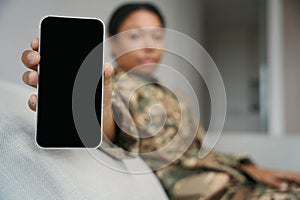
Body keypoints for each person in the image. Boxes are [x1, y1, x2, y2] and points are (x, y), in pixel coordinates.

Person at [21, 2, 300, 200]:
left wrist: (251, 169)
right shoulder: (111, 85)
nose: (150, 45)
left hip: (233, 177)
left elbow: (201, 151)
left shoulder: (171, 93)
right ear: (113, 42)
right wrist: (97, 106)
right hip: (205, 191)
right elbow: (112, 125)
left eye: (157, 35)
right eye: (135, 35)